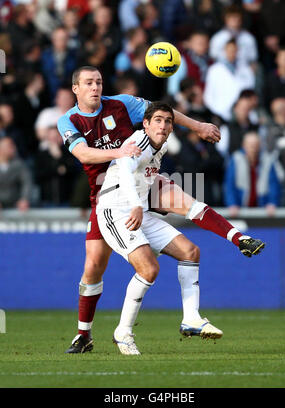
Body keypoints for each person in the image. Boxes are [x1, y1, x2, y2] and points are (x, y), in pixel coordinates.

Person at [57, 66, 261, 354]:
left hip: (141, 182)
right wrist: (121, 153)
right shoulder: (69, 120)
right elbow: (82, 153)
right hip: (108, 193)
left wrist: (199, 126)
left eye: (99, 81)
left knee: (187, 216)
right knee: (93, 265)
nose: (95, 87)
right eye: (89, 83)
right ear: (76, 88)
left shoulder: (125, 105)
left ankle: (233, 247)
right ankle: (85, 334)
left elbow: (163, 113)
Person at [96, 102, 265, 355]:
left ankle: (191, 318)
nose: (162, 126)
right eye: (157, 121)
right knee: (149, 268)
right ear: (145, 124)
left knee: (190, 251)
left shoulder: (161, 145)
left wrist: (148, 197)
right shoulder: (138, 144)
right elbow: (124, 169)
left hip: (138, 208)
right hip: (116, 210)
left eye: (167, 121)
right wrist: (137, 205)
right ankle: (123, 332)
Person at [224, 131, 285, 217]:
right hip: (241, 209)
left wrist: (272, 203)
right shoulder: (236, 159)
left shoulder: (267, 160)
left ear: (260, 146)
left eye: (255, 145)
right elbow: (230, 185)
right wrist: (232, 204)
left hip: (262, 209)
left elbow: (274, 184)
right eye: (250, 145)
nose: (253, 148)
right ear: (244, 145)